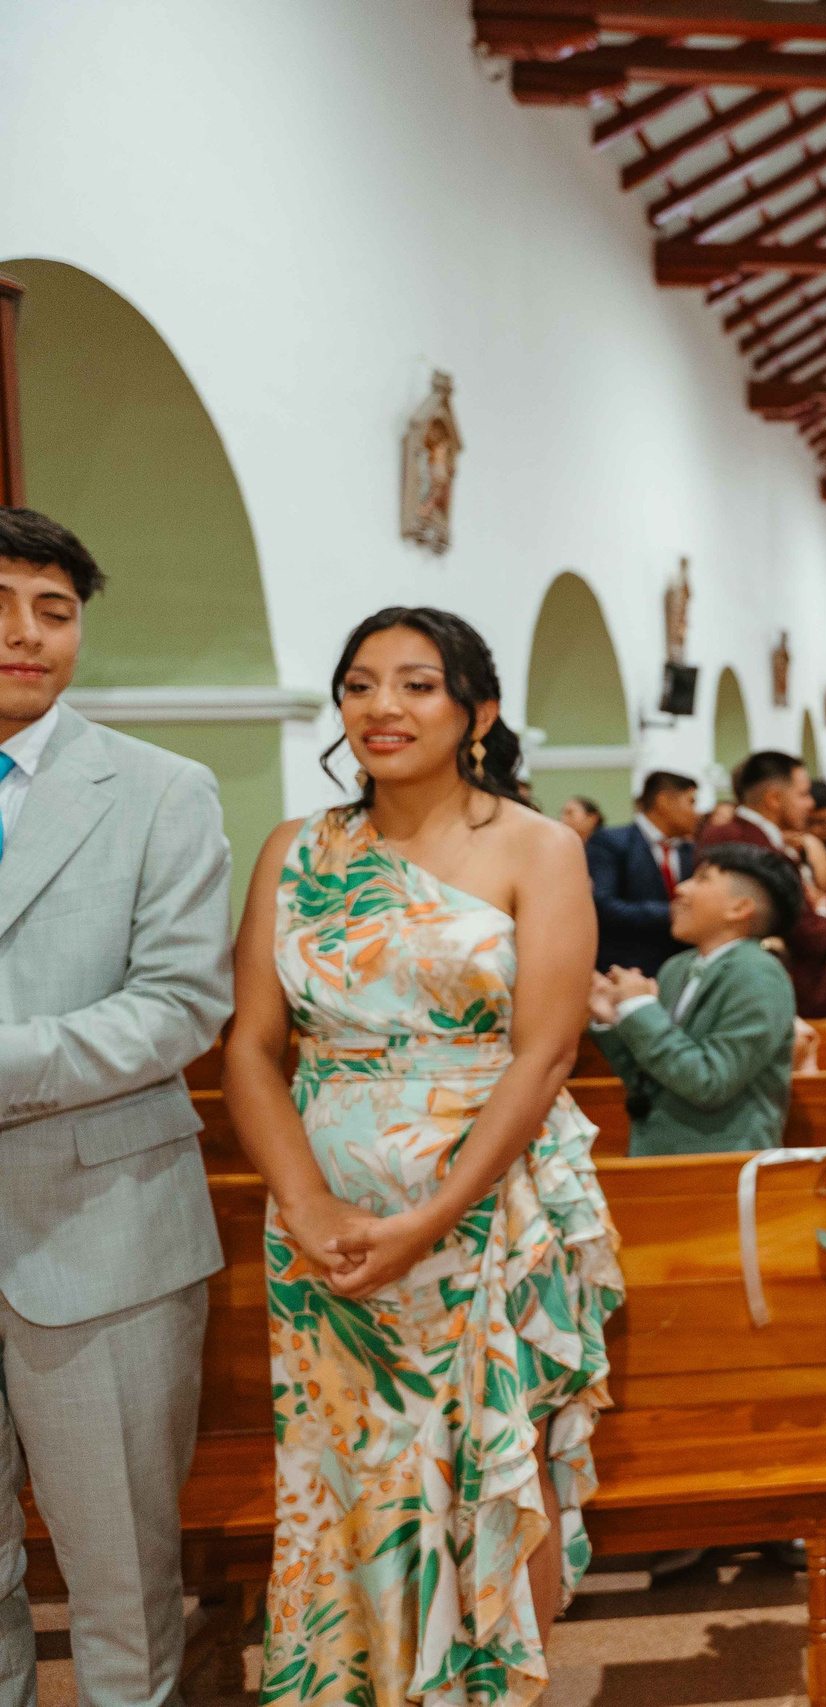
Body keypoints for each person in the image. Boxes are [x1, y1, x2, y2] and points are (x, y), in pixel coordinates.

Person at [223, 607, 623, 1707]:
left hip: (485, 1208)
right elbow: (252, 1049)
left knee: (492, 1464)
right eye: (359, 685)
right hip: (328, 1224)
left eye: (416, 685)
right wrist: (306, 1206)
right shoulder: (295, 852)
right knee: (347, 1473)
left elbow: (544, 1057)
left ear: (476, 710)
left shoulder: (535, 848)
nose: (382, 708)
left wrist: (432, 1216)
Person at [0, 509, 231, 1707]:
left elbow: (182, 1004)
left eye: (55, 608)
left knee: (120, 1576)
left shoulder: (159, 791)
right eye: (1, 601)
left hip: (105, 1225)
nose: (27, 633)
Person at [589, 843, 800, 1157]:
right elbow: (650, 1077)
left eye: (702, 879)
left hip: (719, 1165)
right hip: (658, 1155)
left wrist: (639, 1008)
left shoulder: (759, 973)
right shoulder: (677, 968)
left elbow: (710, 1083)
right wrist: (616, 1020)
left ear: (739, 908)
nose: (681, 888)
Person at [701, 751, 826, 1017]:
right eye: (802, 794)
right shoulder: (751, 845)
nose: (810, 804)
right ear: (774, 798)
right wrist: (823, 913)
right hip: (776, 997)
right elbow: (810, 935)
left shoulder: (743, 836)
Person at [588, 768, 702, 975]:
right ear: (664, 802)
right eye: (691, 802)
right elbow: (602, 905)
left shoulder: (689, 851)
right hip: (629, 968)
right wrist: (669, 913)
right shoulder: (611, 842)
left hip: (681, 969)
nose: (697, 813)